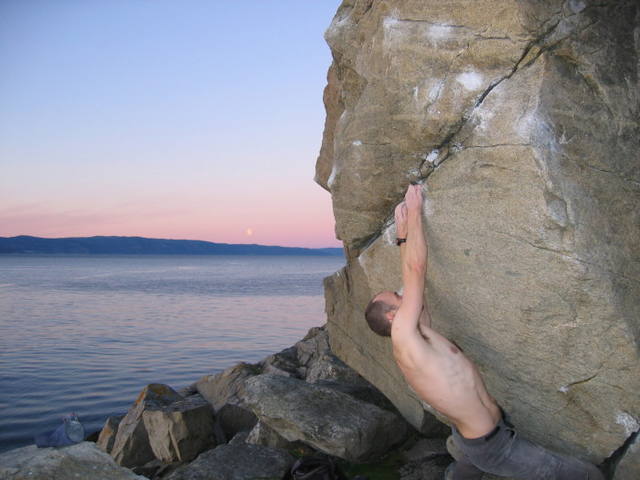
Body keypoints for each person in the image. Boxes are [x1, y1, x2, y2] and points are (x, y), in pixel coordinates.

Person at [364, 184, 604, 480]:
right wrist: (414, 212)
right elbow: (415, 269)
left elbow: (414, 282)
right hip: (494, 445)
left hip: (477, 436)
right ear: (392, 316)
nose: (405, 296)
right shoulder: (404, 335)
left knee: (466, 470)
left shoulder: (418, 334)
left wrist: (403, 236)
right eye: (398, 299)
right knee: (588, 475)